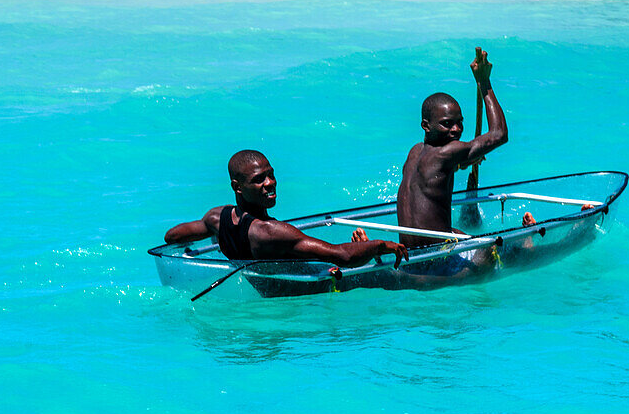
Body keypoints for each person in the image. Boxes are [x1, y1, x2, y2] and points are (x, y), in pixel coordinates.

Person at [163, 149, 408, 267]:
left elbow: (172, 236)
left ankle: (363, 246)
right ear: (237, 187)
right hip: (304, 294)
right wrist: (383, 245)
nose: (270, 183)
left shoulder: (217, 218)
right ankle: (368, 248)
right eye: (259, 179)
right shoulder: (271, 232)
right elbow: (341, 256)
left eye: (271, 175)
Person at [395, 46, 508, 249]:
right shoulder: (449, 152)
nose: (456, 130)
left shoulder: (415, 152)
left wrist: (463, 161)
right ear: (426, 125)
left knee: (460, 234)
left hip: (411, 253)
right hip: (437, 258)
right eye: (447, 124)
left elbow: (437, 172)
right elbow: (499, 134)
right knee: (501, 250)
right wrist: (484, 82)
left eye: (460, 122)